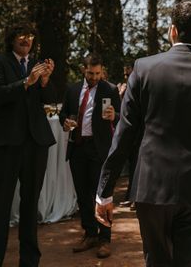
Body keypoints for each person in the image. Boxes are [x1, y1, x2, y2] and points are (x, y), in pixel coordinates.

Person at [94, 0, 191, 267]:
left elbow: (124, 132)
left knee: (156, 261)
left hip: (152, 184)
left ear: (172, 30)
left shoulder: (144, 68)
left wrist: (104, 191)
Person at [0, 23, 57, 267]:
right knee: (0, 207)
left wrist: (44, 81)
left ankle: (30, 261)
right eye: (22, 36)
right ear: (12, 39)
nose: (27, 40)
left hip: (36, 143)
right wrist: (27, 81)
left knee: (30, 204)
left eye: (31, 36)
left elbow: (50, 100)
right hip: (6, 144)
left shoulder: (37, 64)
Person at [60, 54, 121, 259]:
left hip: (99, 148)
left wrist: (115, 116)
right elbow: (64, 115)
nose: (94, 77)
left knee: (101, 195)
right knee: (83, 194)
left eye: (97, 73)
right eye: (90, 73)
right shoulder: (72, 89)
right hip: (77, 147)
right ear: (83, 70)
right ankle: (89, 234)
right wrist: (66, 123)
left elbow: (123, 117)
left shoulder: (110, 90)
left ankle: (105, 238)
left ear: (102, 71)